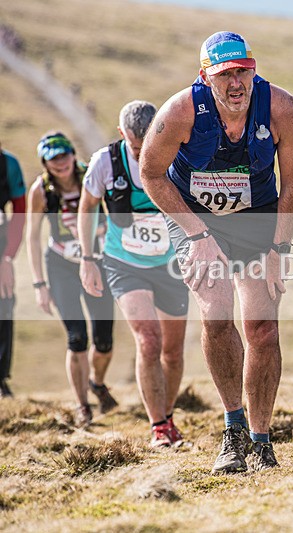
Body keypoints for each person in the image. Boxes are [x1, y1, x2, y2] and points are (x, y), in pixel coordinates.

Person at [139, 31, 293, 472]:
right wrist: (196, 235)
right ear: (205, 77)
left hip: (256, 217)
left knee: (263, 328)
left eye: (243, 72)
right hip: (195, 216)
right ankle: (232, 431)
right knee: (216, 312)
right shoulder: (179, 112)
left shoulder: (282, 109)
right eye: (225, 74)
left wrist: (278, 249)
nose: (236, 83)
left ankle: (262, 439)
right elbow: (151, 174)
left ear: (254, 70)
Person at [78, 101, 189, 447]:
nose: (143, 154)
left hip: (171, 265)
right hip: (124, 263)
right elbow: (87, 207)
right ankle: (158, 427)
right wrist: (87, 258)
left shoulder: (176, 155)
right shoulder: (104, 164)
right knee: (149, 339)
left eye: (148, 145)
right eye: (136, 147)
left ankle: (167, 418)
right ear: (121, 134)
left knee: (172, 350)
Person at [26, 132, 117, 427]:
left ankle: (97, 383)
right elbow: (32, 237)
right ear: (45, 162)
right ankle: (82, 406)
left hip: (97, 262)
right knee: (76, 338)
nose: (61, 163)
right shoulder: (41, 191)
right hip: (61, 265)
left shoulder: (91, 175)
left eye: (64, 155)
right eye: (53, 158)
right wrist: (39, 285)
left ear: (72, 154)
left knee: (104, 341)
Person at [0, 141, 26, 398]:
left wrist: (7, 258)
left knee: (4, 304)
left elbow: (19, 212)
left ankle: (1, 379)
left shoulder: (9, 164)